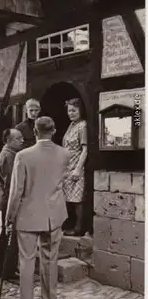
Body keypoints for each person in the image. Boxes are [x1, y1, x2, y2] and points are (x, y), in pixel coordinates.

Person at [7, 117, 71, 299]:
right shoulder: (65, 154)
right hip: (54, 214)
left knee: (26, 261)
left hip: (29, 214)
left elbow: (16, 191)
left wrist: (10, 216)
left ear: (34, 132)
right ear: (54, 131)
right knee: (50, 259)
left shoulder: (23, 156)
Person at [0, 128, 24, 279]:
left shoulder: (10, 154)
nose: (22, 141)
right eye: (18, 139)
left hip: (5, 199)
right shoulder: (9, 157)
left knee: (6, 235)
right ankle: (7, 270)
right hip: (8, 201)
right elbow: (12, 183)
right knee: (10, 234)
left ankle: (3, 267)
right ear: (8, 141)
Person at [62, 98, 88, 236]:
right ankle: (69, 224)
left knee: (77, 199)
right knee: (69, 198)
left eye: (74, 110)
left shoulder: (82, 126)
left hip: (77, 164)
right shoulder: (71, 125)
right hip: (67, 165)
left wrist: (78, 168)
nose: (71, 113)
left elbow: (85, 149)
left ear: (80, 110)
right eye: (69, 110)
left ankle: (79, 228)